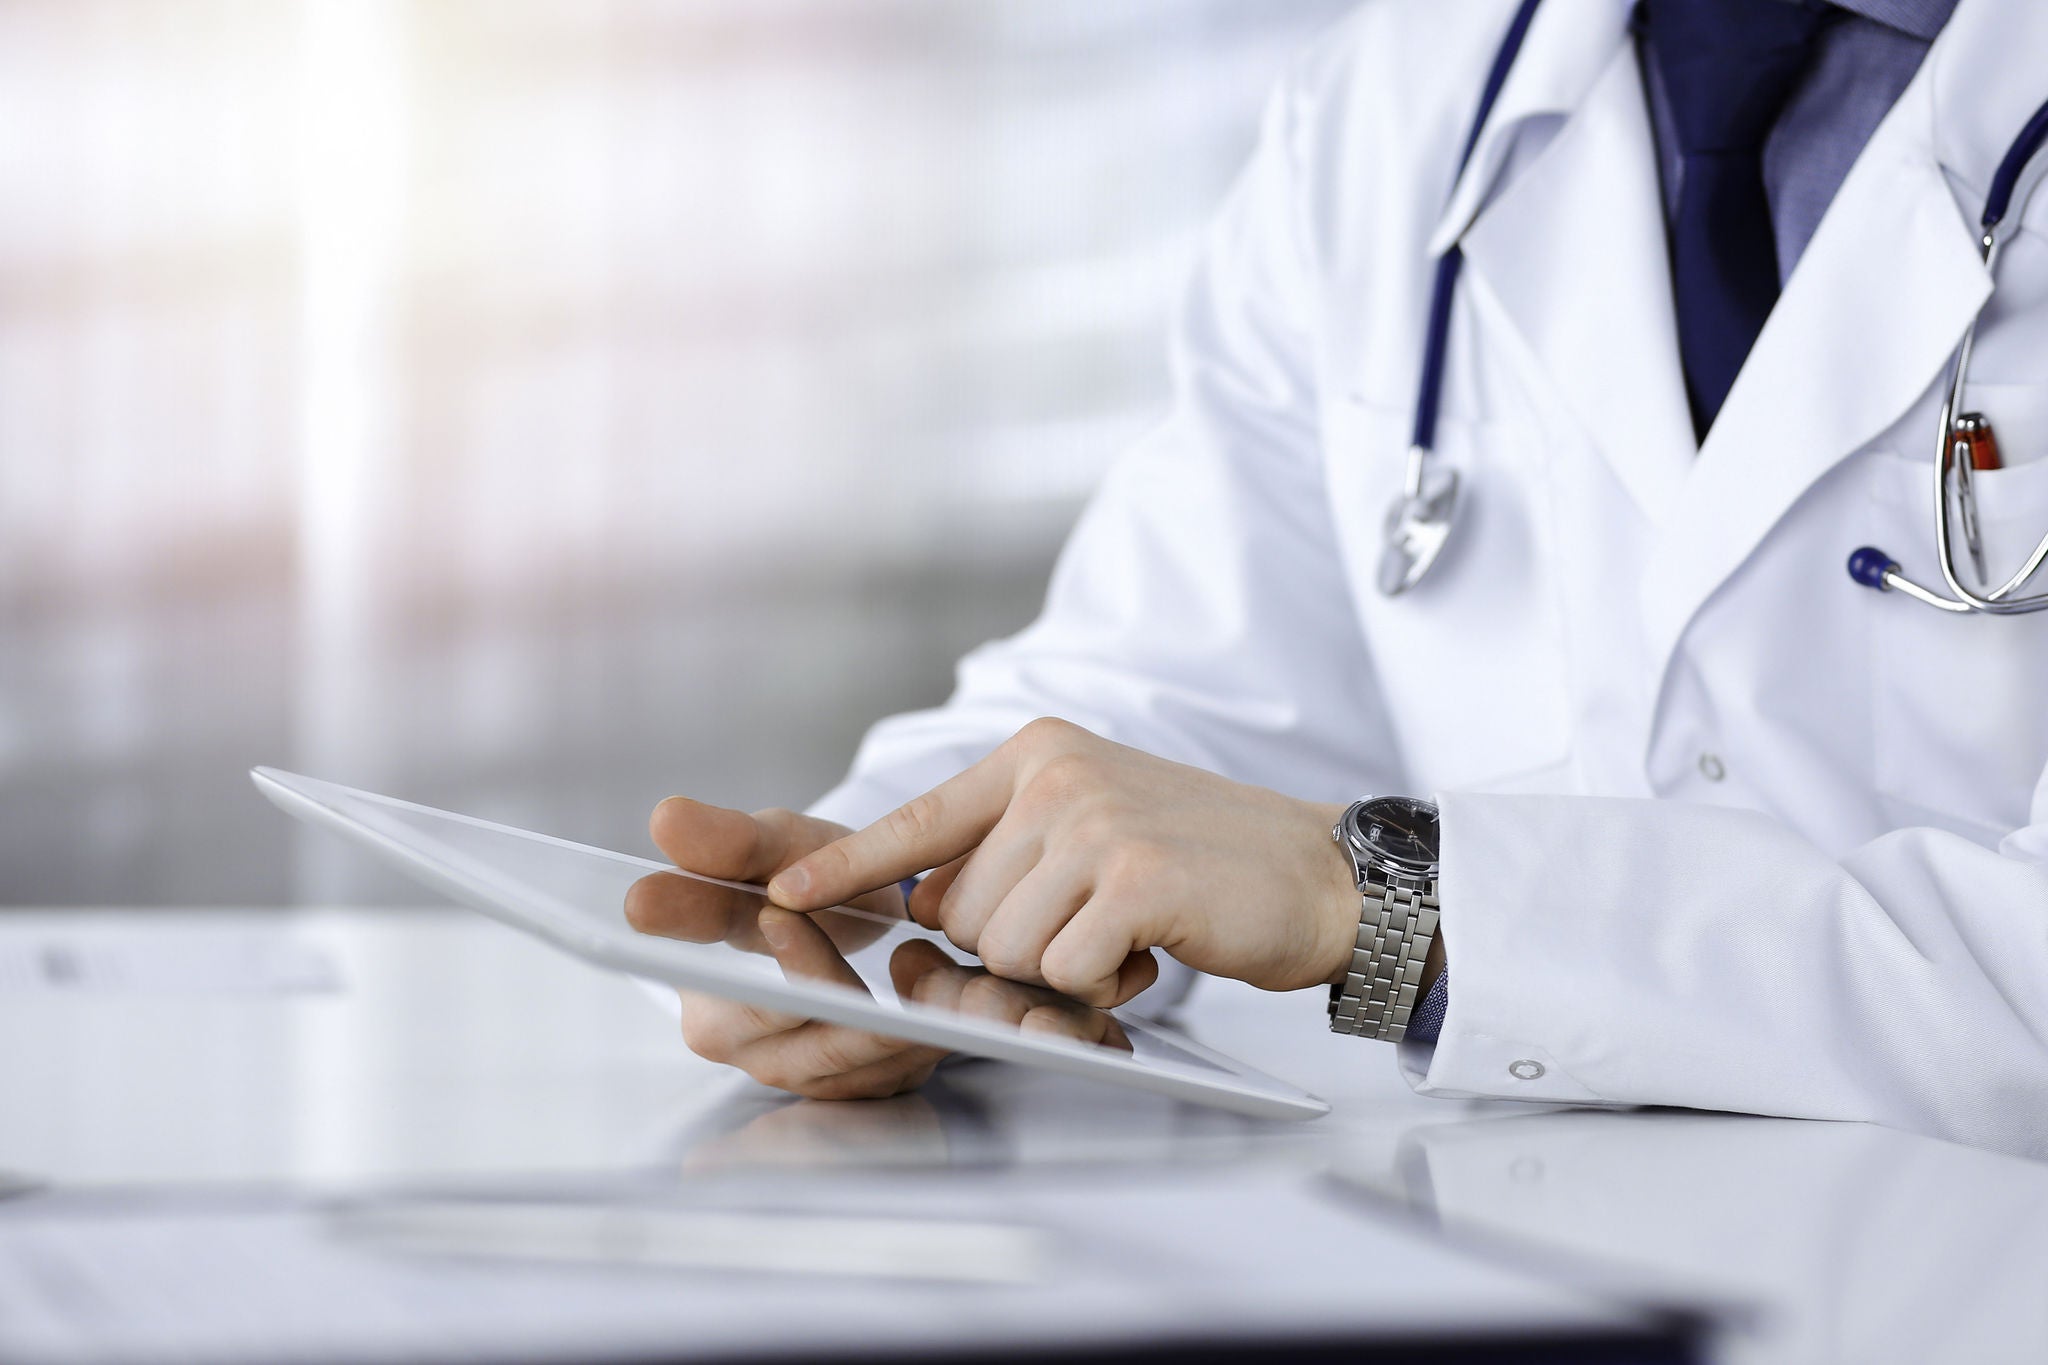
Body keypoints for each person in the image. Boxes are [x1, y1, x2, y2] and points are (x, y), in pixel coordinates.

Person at [630, 0, 2048, 1155]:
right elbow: (1163, 696)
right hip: (1536, 1261)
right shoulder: (1389, 111)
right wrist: (884, 904)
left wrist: (1395, 908)